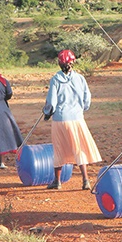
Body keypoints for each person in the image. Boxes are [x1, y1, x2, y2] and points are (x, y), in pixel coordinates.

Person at [43, 49, 102, 190]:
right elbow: (87, 99)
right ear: (73, 62)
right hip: (77, 119)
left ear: (59, 62)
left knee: (59, 148)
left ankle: (57, 182)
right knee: (79, 148)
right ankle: (86, 180)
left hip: (60, 119)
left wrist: (47, 112)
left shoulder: (55, 79)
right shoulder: (80, 78)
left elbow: (52, 101)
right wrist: (81, 110)